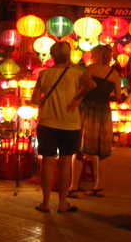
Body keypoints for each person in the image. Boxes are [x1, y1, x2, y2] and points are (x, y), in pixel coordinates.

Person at [30, 41, 95, 213]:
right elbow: (91, 85)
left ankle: (45, 203)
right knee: (66, 163)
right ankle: (62, 204)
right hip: (70, 124)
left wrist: (45, 100)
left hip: (47, 123)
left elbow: (34, 100)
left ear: (52, 57)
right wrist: (76, 98)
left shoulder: (43, 75)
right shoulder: (75, 73)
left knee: (48, 163)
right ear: (68, 56)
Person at [67, 44, 121, 198]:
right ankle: (99, 187)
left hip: (88, 109)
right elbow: (117, 97)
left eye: (93, 54)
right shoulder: (114, 74)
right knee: (101, 151)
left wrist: (75, 103)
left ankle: (73, 187)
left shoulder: (91, 69)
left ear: (98, 55)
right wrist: (104, 98)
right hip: (104, 112)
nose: (90, 57)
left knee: (79, 148)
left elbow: (83, 89)